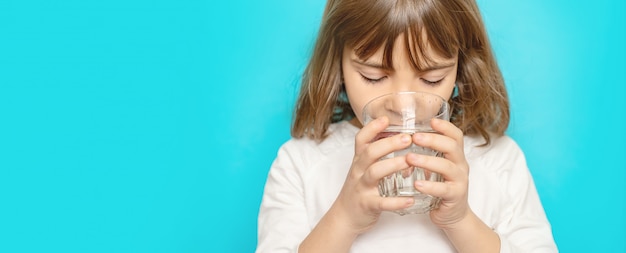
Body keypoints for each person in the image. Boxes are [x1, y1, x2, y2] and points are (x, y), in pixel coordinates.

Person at [256, 0, 558, 252]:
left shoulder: (500, 161)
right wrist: (343, 219)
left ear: (462, 68)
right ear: (338, 64)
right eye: (373, 77)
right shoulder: (300, 164)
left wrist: (462, 221)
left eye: (431, 79)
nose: (403, 106)